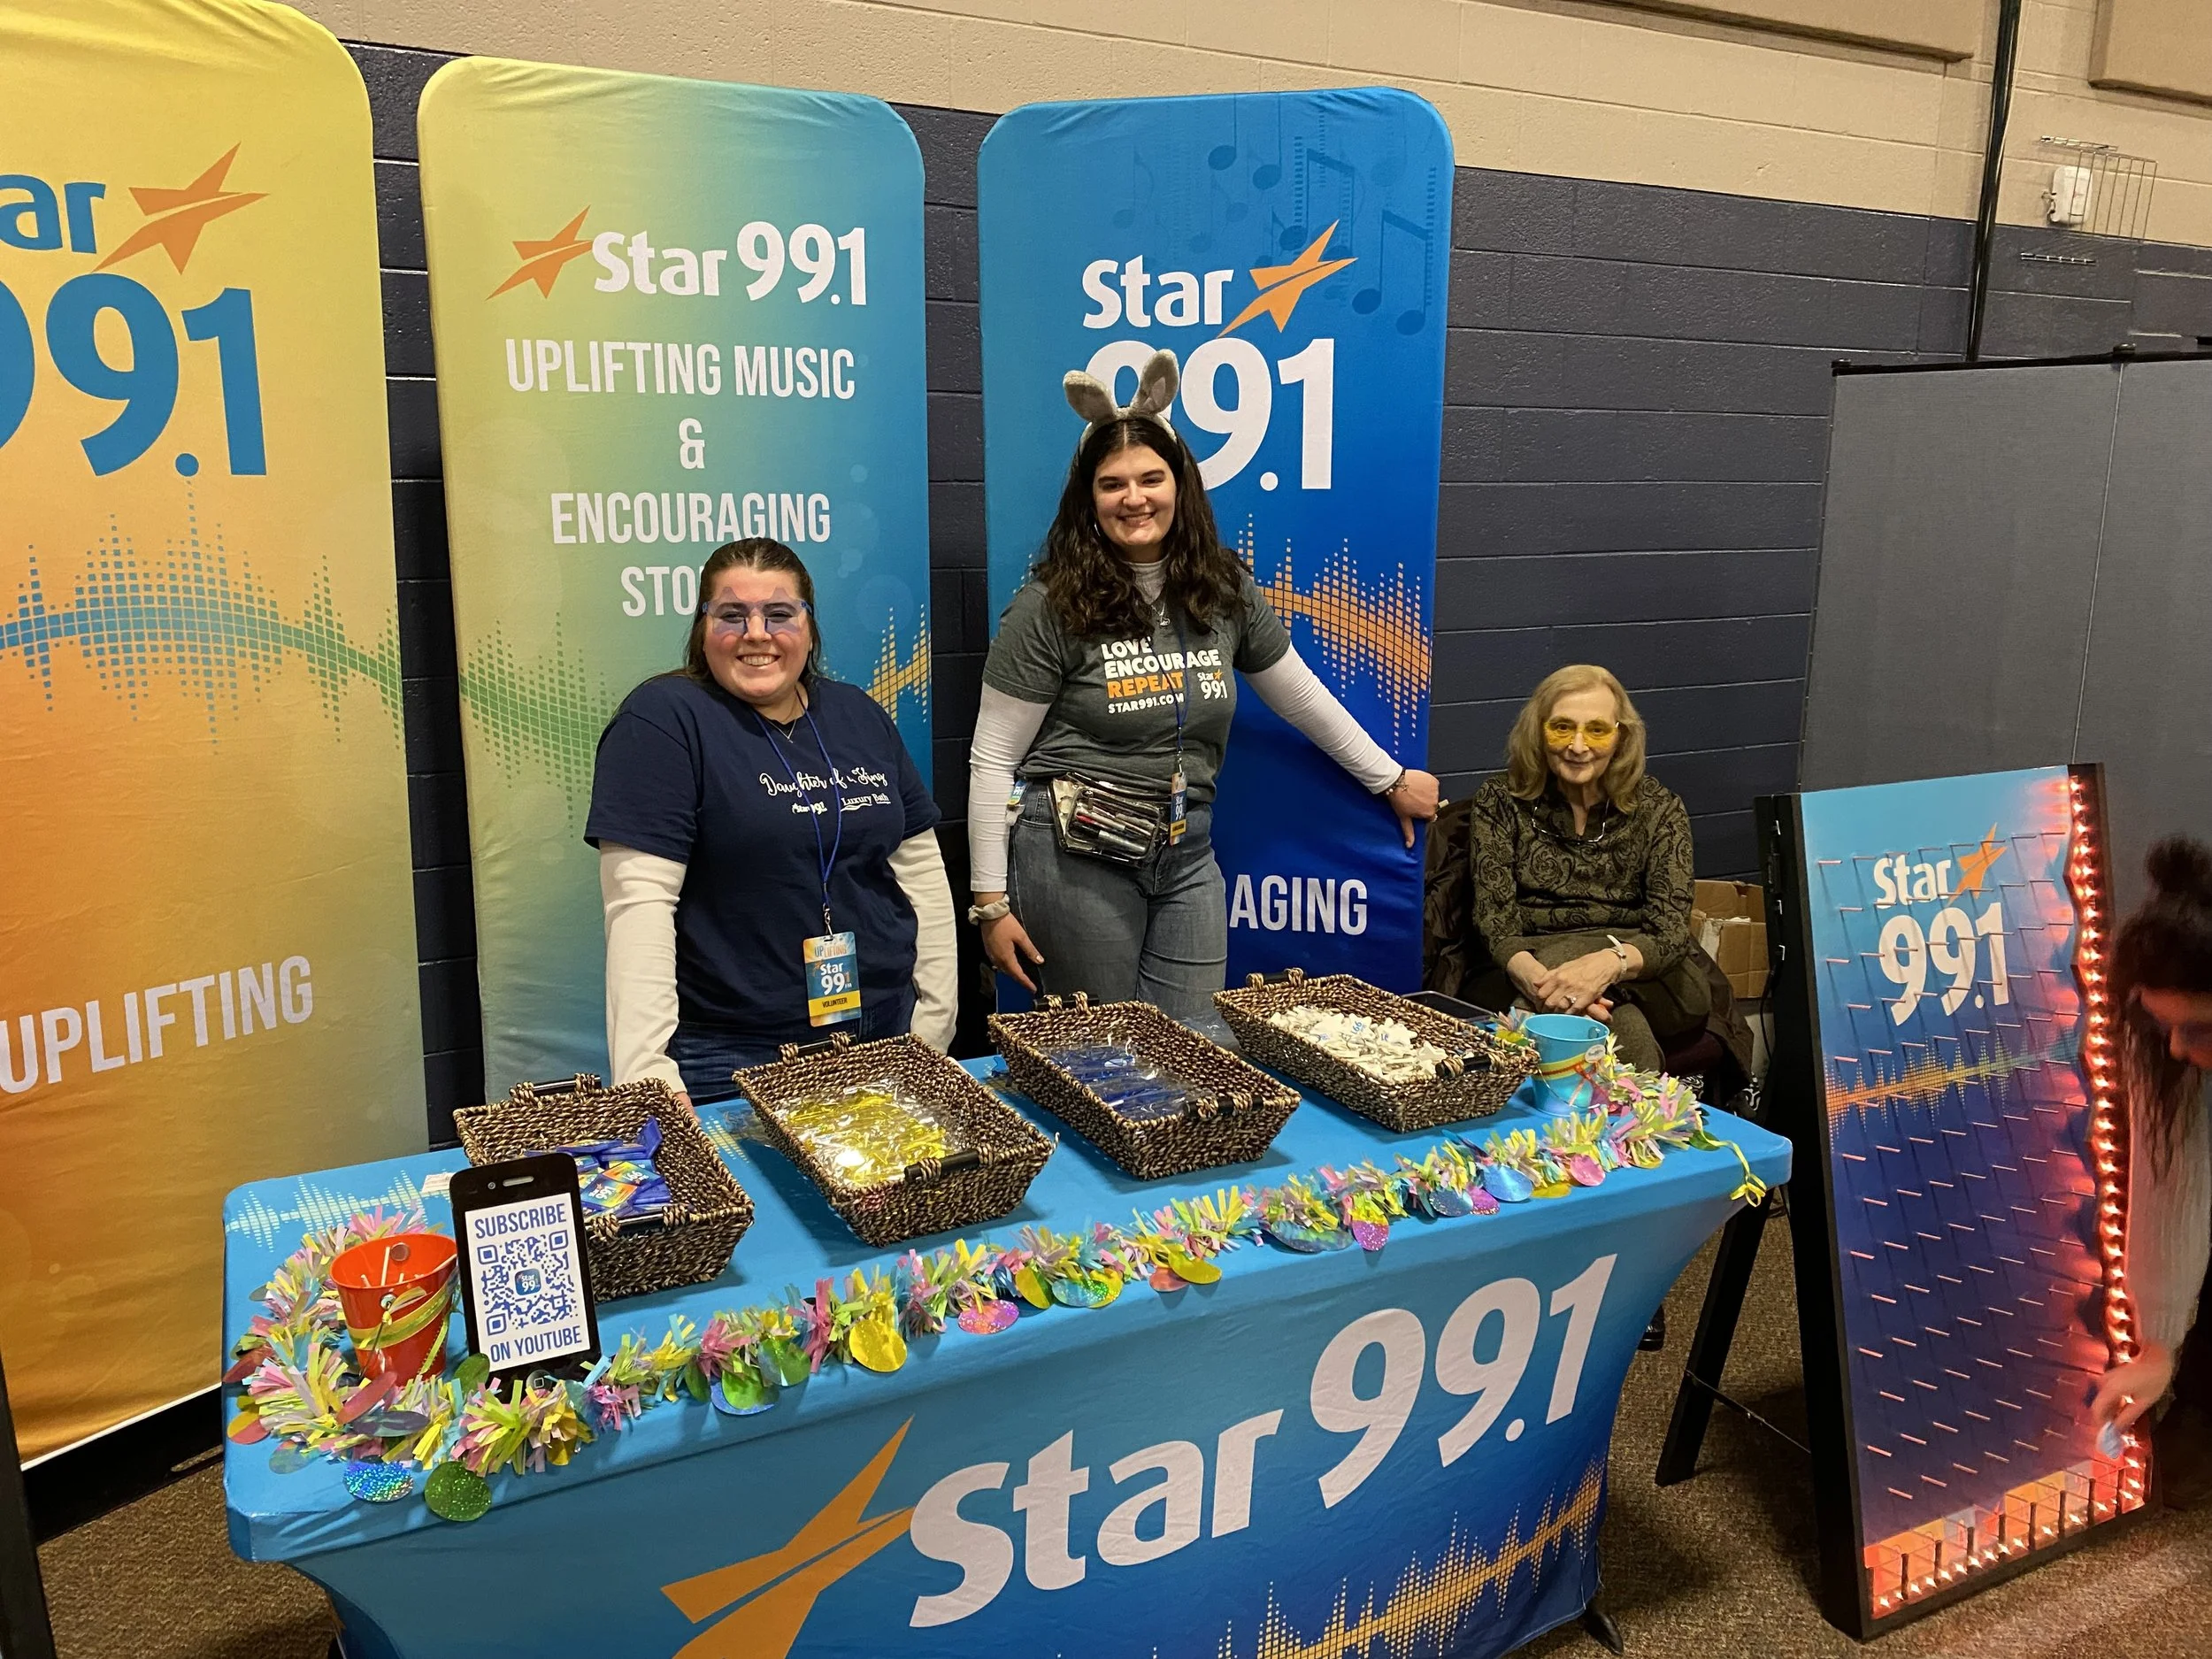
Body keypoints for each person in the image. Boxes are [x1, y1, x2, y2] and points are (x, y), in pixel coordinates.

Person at [966, 349, 1439, 1027]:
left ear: (1180, 483)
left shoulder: (1221, 589)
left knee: (1199, 1052)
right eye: (1112, 484)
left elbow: (1297, 693)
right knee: (1111, 1060)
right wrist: (990, 903)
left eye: (1150, 477)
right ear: (1088, 499)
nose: (1134, 497)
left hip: (1187, 853)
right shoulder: (1048, 605)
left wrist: (1387, 778)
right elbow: (992, 759)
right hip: (1075, 856)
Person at [587, 538, 956, 1106]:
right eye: (732, 615)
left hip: (887, 1032)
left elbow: (921, 871)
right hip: (738, 1058)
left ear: (808, 627)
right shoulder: (662, 722)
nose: (756, 633)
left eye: (779, 614)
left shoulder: (858, 713)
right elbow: (638, 907)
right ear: (701, 628)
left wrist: (935, 1019)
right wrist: (647, 1079)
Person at [1454, 664, 1702, 1074]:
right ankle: (1639, 1128)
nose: (1578, 746)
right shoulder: (1500, 799)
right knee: (1620, 1026)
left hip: (1643, 971)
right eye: (1562, 728)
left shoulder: (1661, 808)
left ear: (1621, 735)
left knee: (1576, 974)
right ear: (1539, 730)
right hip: (1527, 966)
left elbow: (1670, 933)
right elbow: (1495, 922)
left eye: (1597, 730)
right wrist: (1551, 990)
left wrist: (1604, 966)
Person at [2093, 836, 2212, 1509]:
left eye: (2198, 1029)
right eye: (2164, 1026)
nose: (2177, 1047)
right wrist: (2159, 1344)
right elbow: (2173, 1180)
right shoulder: (2156, 1042)